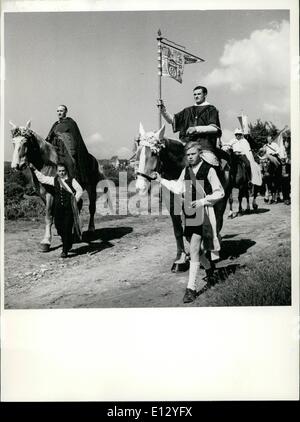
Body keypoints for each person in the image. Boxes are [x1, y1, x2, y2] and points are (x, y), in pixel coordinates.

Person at [153, 141, 225, 304]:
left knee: (193, 248)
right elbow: (178, 188)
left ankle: (191, 288)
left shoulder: (209, 170)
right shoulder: (186, 170)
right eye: (188, 155)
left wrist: (202, 201)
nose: (190, 157)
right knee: (195, 249)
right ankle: (209, 270)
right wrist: (161, 180)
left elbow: (220, 192)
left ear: (200, 153)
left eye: (193, 154)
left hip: (203, 213)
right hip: (189, 213)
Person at [158, 85, 227, 166]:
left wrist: (196, 129)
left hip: (205, 148)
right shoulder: (188, 110)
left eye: (199, 94)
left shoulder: (211, 109)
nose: (196, 96)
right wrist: (163, 110)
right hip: (188, 147)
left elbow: (214, 128)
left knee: (210, 164)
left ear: (205, 95)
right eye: (194, 94)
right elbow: (172, 121)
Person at [30, 162, 83, 258]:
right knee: (59, 227)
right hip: (58, 209)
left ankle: (65, 250)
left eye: (63, 171)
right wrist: (34, 169)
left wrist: (75, 200)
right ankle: (68, 241)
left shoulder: (72, 180)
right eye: (60, 171)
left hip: (69, 209)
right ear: (57, 172)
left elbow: (79, 190)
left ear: (66, 171)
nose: (62, 173)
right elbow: (42, 178)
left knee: (67, 228)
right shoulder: (55, 180)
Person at [46, 105, 90, 188]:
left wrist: (64, 138)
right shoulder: (55, 124)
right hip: (55, 150)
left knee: (70, 165)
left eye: (61, 111)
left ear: (65, 112)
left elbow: (75, 137)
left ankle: (74, 186)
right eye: (58, 111)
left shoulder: (70, 123)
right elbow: (48, 137)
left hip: (66, 150)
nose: (59, 112)